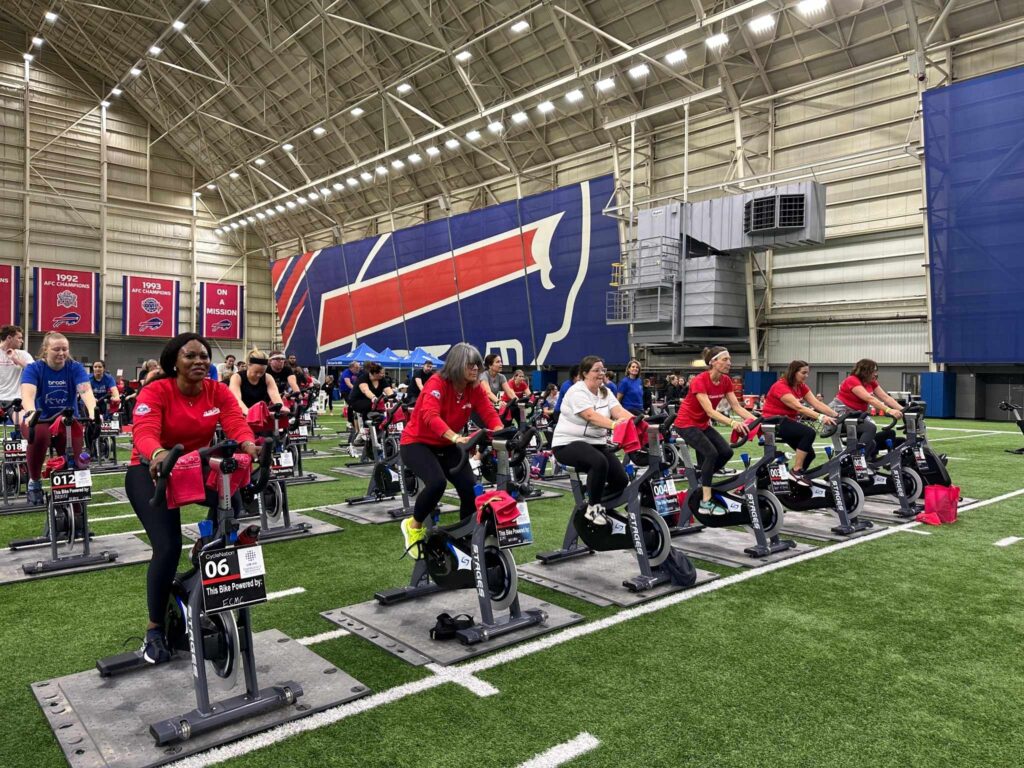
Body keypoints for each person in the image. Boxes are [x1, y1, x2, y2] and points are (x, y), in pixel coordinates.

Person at [126, 333, 257, 665]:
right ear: (175, 362)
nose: (199, 361)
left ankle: (204, 552)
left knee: (232, 502)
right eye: (190, 356)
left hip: (193, 466)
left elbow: (235, 422)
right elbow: (144, 430)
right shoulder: (156, 390)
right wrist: (157, 454)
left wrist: (248, 444)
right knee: (167, 548)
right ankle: (154, 629)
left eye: (203, 356)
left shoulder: (217, 390)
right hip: (152, 470)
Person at [397, 343, 502, 551]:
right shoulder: (437, 382)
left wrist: (501, 433)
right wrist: (454, 437)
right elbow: (430, 416)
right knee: (437, 483)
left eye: (477, 365)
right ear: (456, 365)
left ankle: (467, 537)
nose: (475, 369)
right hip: (417, 443)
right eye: (470, 365)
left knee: (470, 489)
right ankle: (413, 525)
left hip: (446, 444)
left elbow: (488, 413)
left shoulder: (474, 388)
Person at [672, 346, 756, 515]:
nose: (729, 363)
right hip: (685, 424)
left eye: (729, 359)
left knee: (726, 452)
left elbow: (736, 407)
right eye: (725, 359)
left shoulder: (726, 381)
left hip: (702, 425)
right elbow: (710, 411)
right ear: (713, 362)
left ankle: (703, 480)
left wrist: (757, 420)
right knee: (711, 454)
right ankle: (705, 501)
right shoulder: (699, 381)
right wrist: (732, 423)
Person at [551, 355, 634, 525]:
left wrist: (641, 422)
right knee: (599, 462)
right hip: (567, 444)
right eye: (596, 370)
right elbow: (590, 416)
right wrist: (614, 425)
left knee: (621, 480)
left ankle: (594, 499)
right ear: (584, 373)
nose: (601, 373)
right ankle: (593, 508)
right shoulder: (577, 391)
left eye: (603, 370)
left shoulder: (605, 391)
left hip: (596, 444)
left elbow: (619, 411)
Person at [19, 332, 97, 505]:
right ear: (46, 349)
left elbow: (85, 391)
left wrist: (93, 412)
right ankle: (34, 482)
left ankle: (73, 492)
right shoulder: (34, 368)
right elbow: (28, 394)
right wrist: (31, 412)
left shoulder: (75, 367)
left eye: (65, 349)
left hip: (66, 419)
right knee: (39, 436)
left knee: (75, 453)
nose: (61, 353)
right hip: (40, 418)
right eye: (56, 349)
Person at [761, 361, 838, 483]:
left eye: (807, 373)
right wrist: (821, 417)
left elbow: (816, 403)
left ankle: (794, 482)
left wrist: (836, 415)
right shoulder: (780, 386)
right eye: (803, 373)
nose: (806, 376)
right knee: (809, 433)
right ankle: (796, 471)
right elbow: (799, 407)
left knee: (810, 455)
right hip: (773, 421)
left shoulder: (801, 386)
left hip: (786, 421)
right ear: (794, 372)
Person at [829, 359, 904, 458]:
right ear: (865, 371)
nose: (875, 374)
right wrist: (889, 410)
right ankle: (858, 458)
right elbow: (869, 399)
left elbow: (886, 397)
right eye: (873, 371)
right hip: (840, 414)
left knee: (872, 443)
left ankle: (866, 459)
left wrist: (904, 410)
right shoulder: (852, 380)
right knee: (870, 428)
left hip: (856, 415)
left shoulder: (871, 382)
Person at [228, 349, 284, 415]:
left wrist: (282, 408)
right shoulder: (237, 377)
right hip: (241, 413)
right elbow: (236, 399)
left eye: (262, 372)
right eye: (256, 372)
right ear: (248, 365)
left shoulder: (268, 378)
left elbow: (275, 396)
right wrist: (249, 413)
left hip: (260, 414)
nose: (259, 375)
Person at [0, 324, 32, 408]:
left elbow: (34, 371)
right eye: (19, 338)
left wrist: (16, 359)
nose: (22, 341)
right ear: (9, 338)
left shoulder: (23, 354)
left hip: (16, 400)